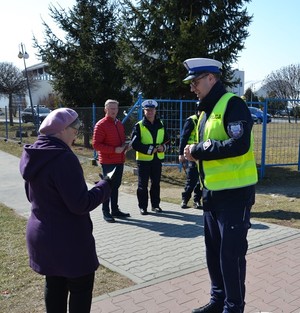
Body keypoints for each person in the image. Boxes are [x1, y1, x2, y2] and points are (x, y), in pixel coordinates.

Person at [182, 58, 258, 313]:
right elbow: (206, 146)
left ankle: (233, 307)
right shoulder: (205, 111)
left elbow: (239, 144)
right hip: (211, 194)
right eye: (191, 83)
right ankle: (218, 301)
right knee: (213, 254)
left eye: (196, 81)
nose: (193, 87)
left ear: (211, 79)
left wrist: (200, 150)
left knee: (231, 257)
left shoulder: (233, 104)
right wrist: (191, 152)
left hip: (235, 196)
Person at [19, 108, 113, 313]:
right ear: (61, 130)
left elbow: (31, 196)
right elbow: (80, 204)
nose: (77, 133)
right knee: (80, 288)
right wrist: (104, 186)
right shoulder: (63, 158)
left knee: (54, 285)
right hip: (69, 242)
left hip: (43, 237)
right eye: (76, 127)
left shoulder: (34, 154)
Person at [92, 99, 130, 223]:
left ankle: (115, 210)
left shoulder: (118, 123)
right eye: (111, 108)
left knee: (116, 186)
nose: (114, 111)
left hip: (120, 160)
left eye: (116, 108)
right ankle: (106, 211)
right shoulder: (101, 125)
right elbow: (96, 145)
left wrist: (125, 146)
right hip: (108, 162)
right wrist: (114, 150)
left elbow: (121, 140)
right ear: (105, 110)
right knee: (107, 187)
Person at [131, 99, 170, 215]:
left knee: (156, 183)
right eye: (147, 110)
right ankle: (143, 207)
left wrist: (164, 147)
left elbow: (168, 140)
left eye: (152, 110)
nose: (150, 112)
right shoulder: (139, 126)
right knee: (142, 185)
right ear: (144, 111)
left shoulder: (161, 124)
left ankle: (155, 205)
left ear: (155, 110)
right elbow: (135, 144)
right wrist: (149, 150)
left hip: (157, 160)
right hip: (143, 160)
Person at [178, 110, 202, 209]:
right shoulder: (192, 120)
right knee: (191, 178)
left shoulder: (207, 119)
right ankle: (185, 199)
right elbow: (184, 137)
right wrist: (181, 154)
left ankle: (197, 201)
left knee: (201, 180)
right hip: (192, 153)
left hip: (203, 153)